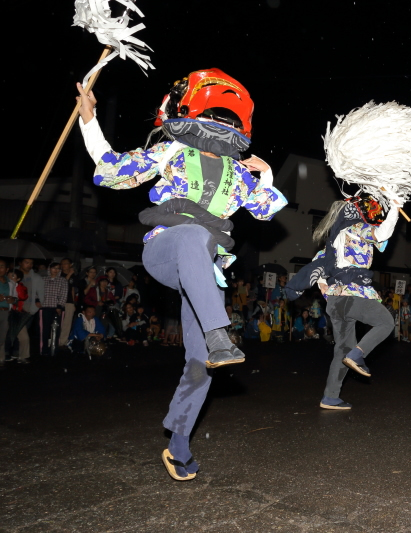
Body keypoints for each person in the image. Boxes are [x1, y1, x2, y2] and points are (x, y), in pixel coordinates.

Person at [77, 68, 287, 482]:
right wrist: (88, 119)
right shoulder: (171, 150)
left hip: (206, 272)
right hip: (166, 249)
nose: (222, 124)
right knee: (192, 233)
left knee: (200, 364)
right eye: (217, 116)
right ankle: (219, 333)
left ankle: (178, 447)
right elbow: (113, 168)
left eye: (229, 120)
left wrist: (266, 174)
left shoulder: (237, 172)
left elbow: (266, 210)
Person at [286, 195, 400, 410]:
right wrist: (394, 209)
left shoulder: (334, 238)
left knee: (342, 349)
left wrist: (321, 283)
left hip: (335, 300)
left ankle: (330, 396)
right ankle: (358, 355)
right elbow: (382, 232)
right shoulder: (357, 228)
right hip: (352, 293)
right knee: (386, 322)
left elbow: (317, 261)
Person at [15, 258, 43, 364]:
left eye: (31, 263)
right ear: (20, 263)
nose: (29, 265)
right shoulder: (12, 275)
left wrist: (38, 303)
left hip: (28, 310)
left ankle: (21, 355)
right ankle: (11, 353)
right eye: (26, 262)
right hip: (13, 308)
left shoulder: (35, 277)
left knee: (23, 333)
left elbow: (40, 292)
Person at [40, 262, 68, 356]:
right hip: (45, 307)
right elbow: (38, 292)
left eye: (58, 268)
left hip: (57, 308)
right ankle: (44, 349)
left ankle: (55, 348)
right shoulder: (43, 279)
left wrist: (60, 306)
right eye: (54, 268)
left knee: (56, 329)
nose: (55, 270)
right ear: (49, 269)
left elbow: (64, 294)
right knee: (45, 329)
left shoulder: (62, 280)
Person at [58, 258, 79, 347]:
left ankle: (63, 341)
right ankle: (54, 339)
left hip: (69, 301)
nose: (63, 265)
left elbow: (72, 289)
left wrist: (73, 302)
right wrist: (69, 274)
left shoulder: (74, 276)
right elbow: (62, 284)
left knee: (67, 322)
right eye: (62, 264)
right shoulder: (59, 274)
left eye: (66, 263)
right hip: (59, 300)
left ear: (70, 265)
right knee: (58, 321)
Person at [0, 260, 17, 368]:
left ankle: (1, 357)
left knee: (2, 337)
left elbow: (16, 297)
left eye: (1, 266)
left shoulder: (11, 283)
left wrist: (13, 300)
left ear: (7, 270)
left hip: (5, 312)